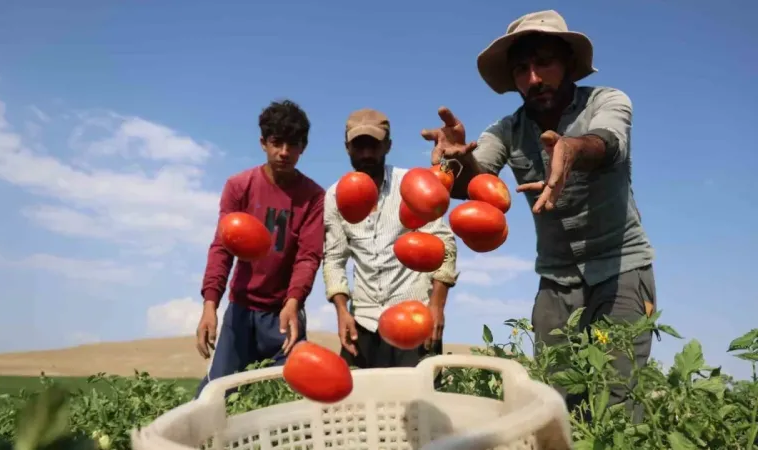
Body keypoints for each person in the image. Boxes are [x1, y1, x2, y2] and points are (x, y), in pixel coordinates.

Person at [421, 10, 656, 417]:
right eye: (521, 69)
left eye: (544, 62)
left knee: (619, 403)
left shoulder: (607, 101)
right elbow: (474, 186)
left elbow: (608, 142)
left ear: (567, 63)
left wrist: (571, 149)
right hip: (555, 279)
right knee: (553, 404)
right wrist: (454, 163)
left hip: (620, 268)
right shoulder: (507, 130)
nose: (534, 78)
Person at [194, 99, 325, 398]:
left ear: (303, 147)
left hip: (283, 313)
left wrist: (293, 302)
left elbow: (308, 255)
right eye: (277, 143)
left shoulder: (313, 197)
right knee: (216, 395)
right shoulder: (239, 186)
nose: (284, 152)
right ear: (263, 143)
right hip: (240, 310)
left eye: (293, 144)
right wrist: (210, 305)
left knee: (289, 396)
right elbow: (222, 248)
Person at [323, 108, 459, 369]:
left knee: (417, 404)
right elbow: (334, 259)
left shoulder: (411, 184)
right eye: (359, 146)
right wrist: (341, 312)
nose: (366, 154)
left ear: (388, 145)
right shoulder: (334, 197)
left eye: (373, 145)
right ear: (347, 148)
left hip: (413, 318)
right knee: (357, 405)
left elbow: (443, 244)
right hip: (362, 322)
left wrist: (437, 307)